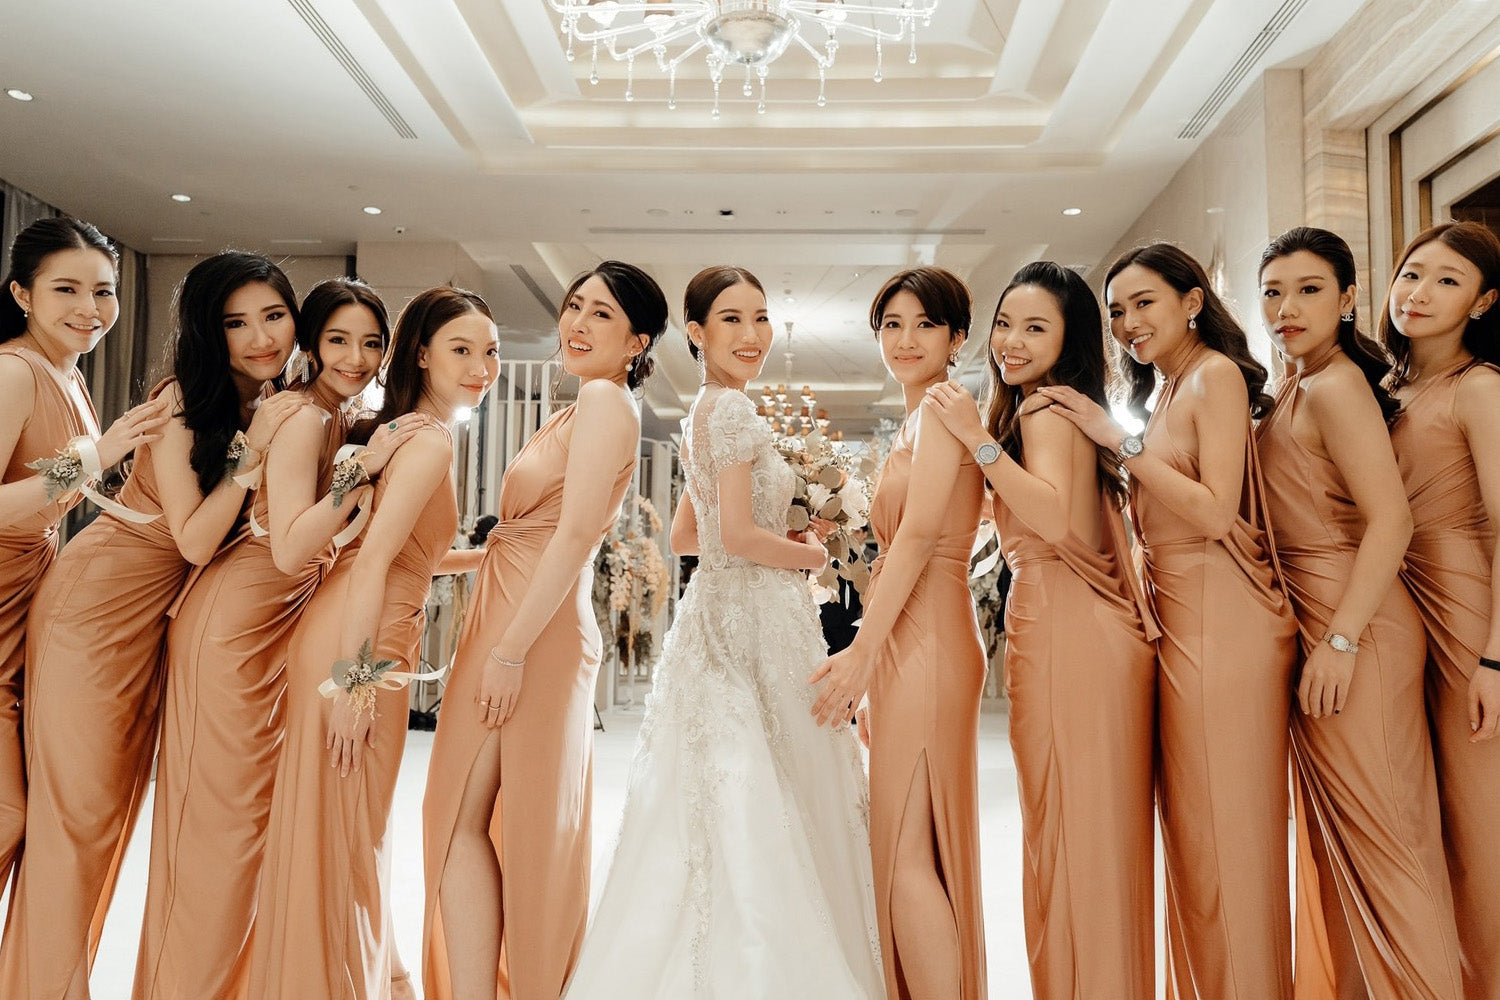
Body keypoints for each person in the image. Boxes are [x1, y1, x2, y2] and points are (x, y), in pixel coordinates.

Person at [562, 265, 882, 999]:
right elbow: (734, 536)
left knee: (725, 788)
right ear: (697, 333)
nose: (752, 334)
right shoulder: (732, 414)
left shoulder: (708, 411)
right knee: (768, 785)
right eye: (731, 320)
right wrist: (817, 550)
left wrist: (788, 518)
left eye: (761, 318)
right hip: (757, 619)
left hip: (719, 615)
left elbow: (687, 536)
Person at [0, 251, 304, 999]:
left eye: (273, 315)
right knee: (75, 825)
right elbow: (196, 539)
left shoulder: (267, 402)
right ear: (209, 330)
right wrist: (253, 457)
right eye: (236, 322)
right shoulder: (179, 401)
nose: (260, 336)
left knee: (103, 823)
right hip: (97, 612)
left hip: (151, 621)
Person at [134, 278, 420, 999]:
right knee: (216, 844)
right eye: (337, 340)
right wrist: (361, 479)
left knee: (248, 842)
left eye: (371, 341)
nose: (356, 356)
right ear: (310, 342)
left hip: (272, 630)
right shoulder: (298, 419)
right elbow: (292, 549)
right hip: (232, 632)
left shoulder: (327, 413)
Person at [1040, 243, 1299, 1000]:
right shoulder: (1165, 392)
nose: (1125, 323)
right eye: (1116, 310)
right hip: (1182, 624)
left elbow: (1216, 511)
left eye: (1143, 303)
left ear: (1193, 301)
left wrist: (1110, 435)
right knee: (1196, 842)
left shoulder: (1214, 376)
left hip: (1224, 628)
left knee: (1229, 839)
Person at [422, 262, 666, 1000]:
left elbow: (574, 535)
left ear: (636, 340)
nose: (577, 324)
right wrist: (439, 560)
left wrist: (508, 651)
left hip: (533, 629)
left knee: (482, 818)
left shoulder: (603, 400)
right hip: (517, 613)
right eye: (574, 306)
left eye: (601, 315)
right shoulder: (579, 407)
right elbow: (524, 536)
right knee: (474, 817)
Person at [250, 285, 499, 999]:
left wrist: (487, 556)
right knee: (351, 831)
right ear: (420, 354)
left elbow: (407, 554)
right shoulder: (426, 439)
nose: (481, 366)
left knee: (347, 827)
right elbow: (377, 563)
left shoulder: (409, 432)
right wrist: (355, 685)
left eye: (490, 351)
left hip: (358, 626)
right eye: (461, 350)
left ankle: (359, 978)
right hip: (363, 643)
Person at [927, 260, 1158, 999]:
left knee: (1069, 838)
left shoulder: (1042, 412)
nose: (1011, 342)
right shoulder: (1061, 407)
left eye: (1035, 328)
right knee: (1092, 838)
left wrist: (975, 440)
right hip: (1083, 628)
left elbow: (1053, 519)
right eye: (1005, 324)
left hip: (1066, 631)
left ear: (1072, 338)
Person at [1258, 226, 1462, 1000]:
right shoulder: (1298, 385)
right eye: (1273, 290)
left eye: (1309, 289)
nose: (1287, 306)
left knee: (1393, 850)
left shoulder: (1337, 384)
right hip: (1323, 628)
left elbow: (1393, 521)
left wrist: (1341, 641)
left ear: (1348, 299)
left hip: (1359, 631)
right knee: (1348, 851)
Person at [812, 266, 987, 1000]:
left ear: (956, 336)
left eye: (924, 324)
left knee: (909, 848)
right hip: (913, 626)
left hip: (930, 634)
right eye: (892, 325)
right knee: (906, 843)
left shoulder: (948, 406)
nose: (906, 340)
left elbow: (916, 544)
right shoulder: (917, 416)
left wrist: (860, 654)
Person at [0, 217, 170, 897]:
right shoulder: (15, 371)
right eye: (66, 289)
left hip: (31, 597)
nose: (89, 310)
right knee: (9, 812)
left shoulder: (67, 376)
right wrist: (103, 452)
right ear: (21, 294)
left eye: (103, 292)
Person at [1382, 220, 1500, 1000]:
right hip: (1391, 614)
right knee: (1412, 821)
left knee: (1479, 827)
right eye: (1412, 273)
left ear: (1483, 301)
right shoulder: (1380, 387)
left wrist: (1496, 656)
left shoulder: (1481, 387)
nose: (1419, 292)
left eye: (1447, 280)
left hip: (1463, 616)